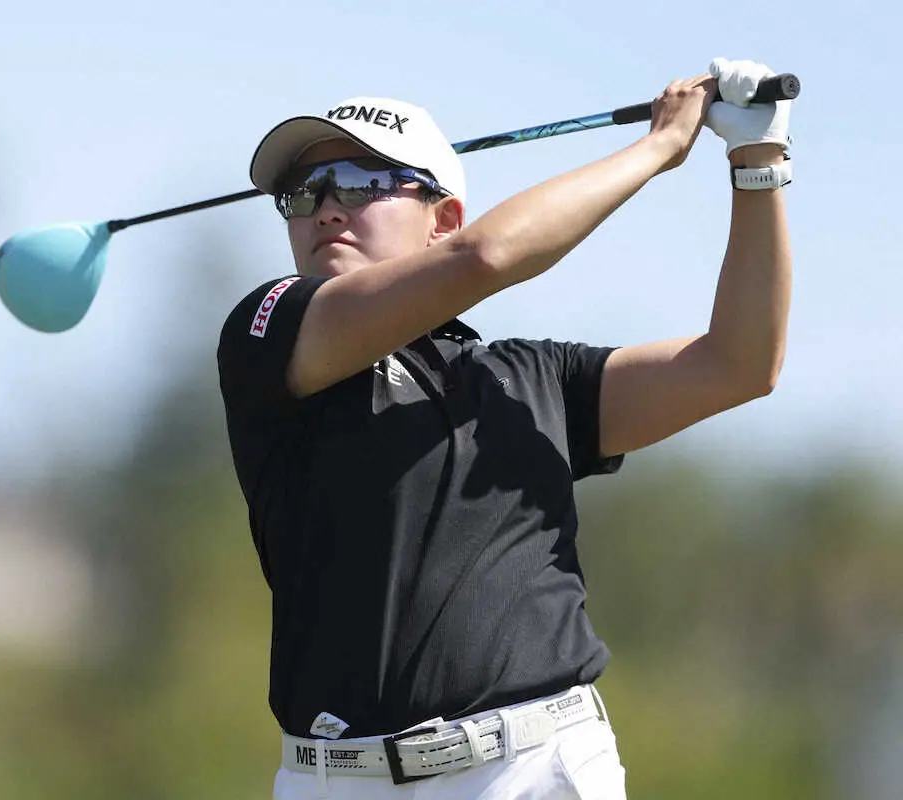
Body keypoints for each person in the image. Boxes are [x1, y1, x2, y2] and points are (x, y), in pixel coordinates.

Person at [217, 57, 792, 799]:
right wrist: (657, 148)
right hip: (333, 779)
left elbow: (739, 365)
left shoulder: (533, 380)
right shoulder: (267, 333)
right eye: (304, 192)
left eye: (359, 183)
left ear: (442, 218)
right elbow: (486, 257)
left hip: (529, 769)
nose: (327, 209)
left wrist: (757, 164)